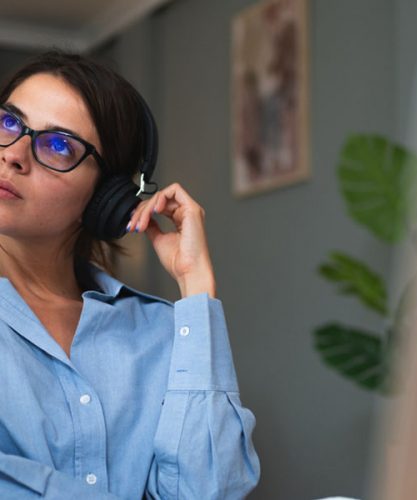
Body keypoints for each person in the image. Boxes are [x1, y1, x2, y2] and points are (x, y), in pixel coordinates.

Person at [0, 50, 260, 498]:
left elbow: (206, 491)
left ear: (107, 196)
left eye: (58, 145)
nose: (14, 155)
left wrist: (196, 287)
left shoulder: (159, 332)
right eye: (7, 124)